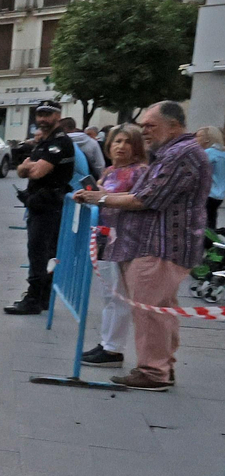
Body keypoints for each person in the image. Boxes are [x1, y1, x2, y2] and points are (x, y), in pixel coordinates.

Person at [74, 102, 212, 390]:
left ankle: (152, 372)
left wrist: (99, 198)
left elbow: (144, 199)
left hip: (160, 247)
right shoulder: (173, 154)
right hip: (158, 245)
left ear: (174, 125)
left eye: (150, 125)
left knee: (149, 312)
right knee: (160, 310)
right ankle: (162, 367)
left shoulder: (181, 154)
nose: (144, 130)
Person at [80, 124, 147, 369]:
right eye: (117, 141)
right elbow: (101, 191)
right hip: (105, 237)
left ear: (137, 147)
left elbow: (137, 200)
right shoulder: (110, 171)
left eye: (127, 142)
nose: (121, 146)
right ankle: (107, 342)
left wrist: (101, 197)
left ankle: (114, 349)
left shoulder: (140, 172)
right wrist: (87, 195)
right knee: (109, 293)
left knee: (119, 295)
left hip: (126, 238)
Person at [5, 101, 78, 315]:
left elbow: (37, 172)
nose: (43, 119)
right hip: (40, 204)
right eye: (40, 115)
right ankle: (43, 296)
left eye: (48, 114)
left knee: (39, 252)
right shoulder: (44, 143)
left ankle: (34, 298)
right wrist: (28, 167)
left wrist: (29, 167)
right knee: (43, 252)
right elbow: (21, 170)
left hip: (49, 206)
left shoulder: (59, 142)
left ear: (58, 116)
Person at [197, 126, 225, 237]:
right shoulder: (222, 154)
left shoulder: (209, 153)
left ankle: (207, 243)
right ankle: (213, 244)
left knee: (203, 222)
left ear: (207, 139)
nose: (195, 139)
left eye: (198, 136)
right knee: (212, 219)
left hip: (208, 193)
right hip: (219, 196)